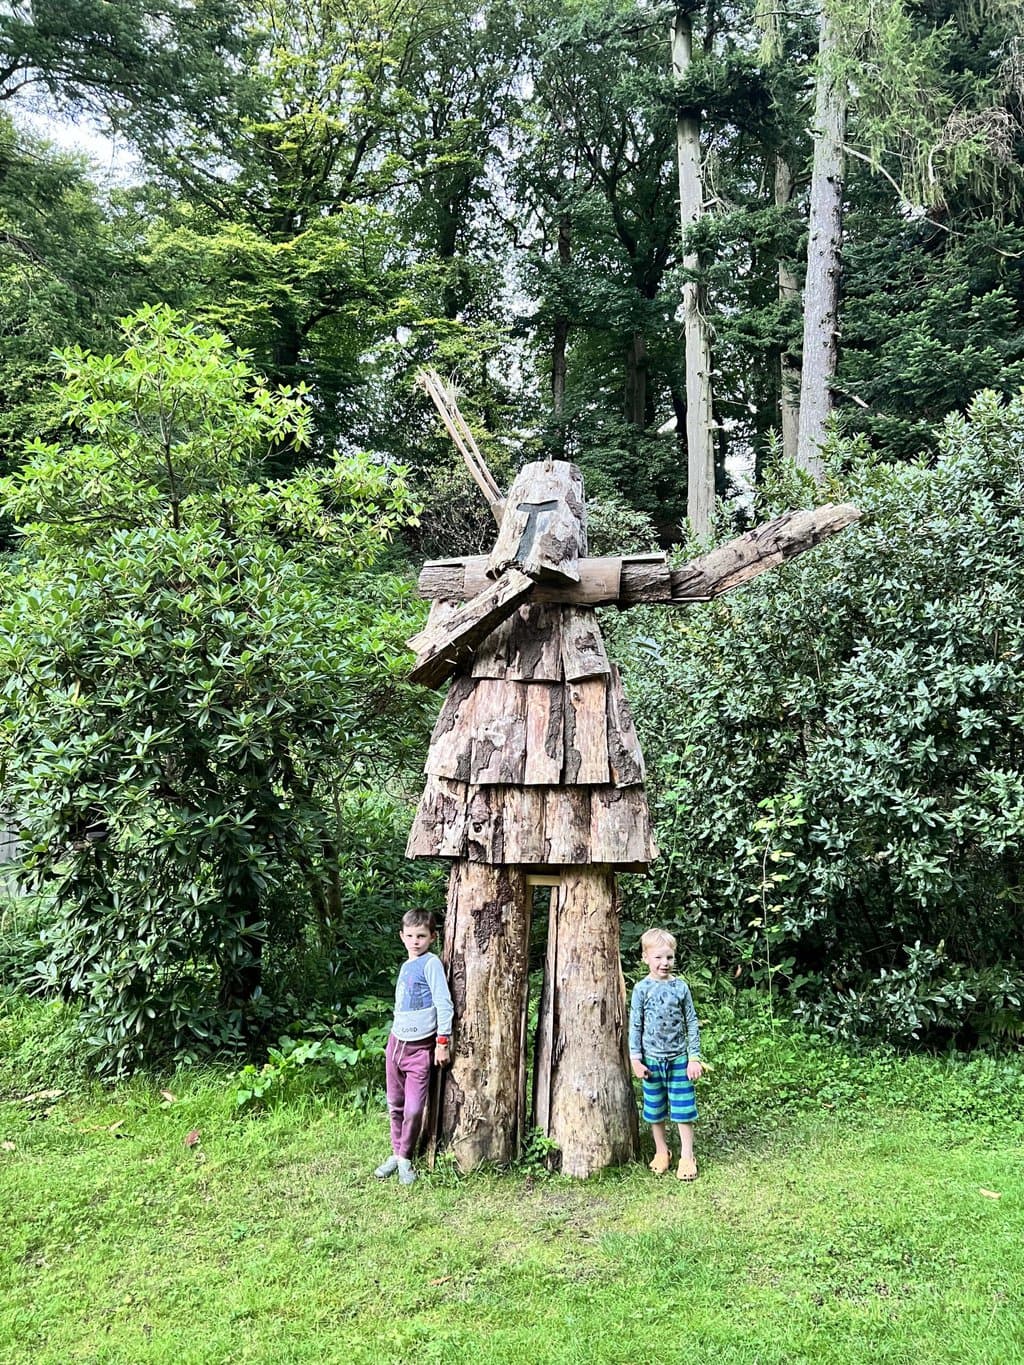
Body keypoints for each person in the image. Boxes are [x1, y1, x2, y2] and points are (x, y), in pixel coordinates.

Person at [374, 909, 454, 1186]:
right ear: (402, 936)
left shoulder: (431, 964)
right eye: (410, 936)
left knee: (414, 1108)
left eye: (421, 936)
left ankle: (406, 1156)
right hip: (396, 1045)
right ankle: (396, 1155)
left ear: (432, 937)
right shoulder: (406, 966)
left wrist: (442, 1042)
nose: (415, 941)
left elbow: (444, 1003)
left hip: (420, 1049)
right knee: (395, 1105)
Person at [628, 926, 703, 1181]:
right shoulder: (641, 989)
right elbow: (635, 1025)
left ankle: (687, 1156)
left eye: (669, 957)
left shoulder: (680, 988)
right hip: (651, 1061)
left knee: (683, 1109)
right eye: (658, 957)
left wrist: (694, 1058)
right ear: (645, 958)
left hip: (679, 1060)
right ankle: (662, 1152)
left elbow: (691, 1021)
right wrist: (635, 1059)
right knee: (654, 1109)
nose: (664, 963)